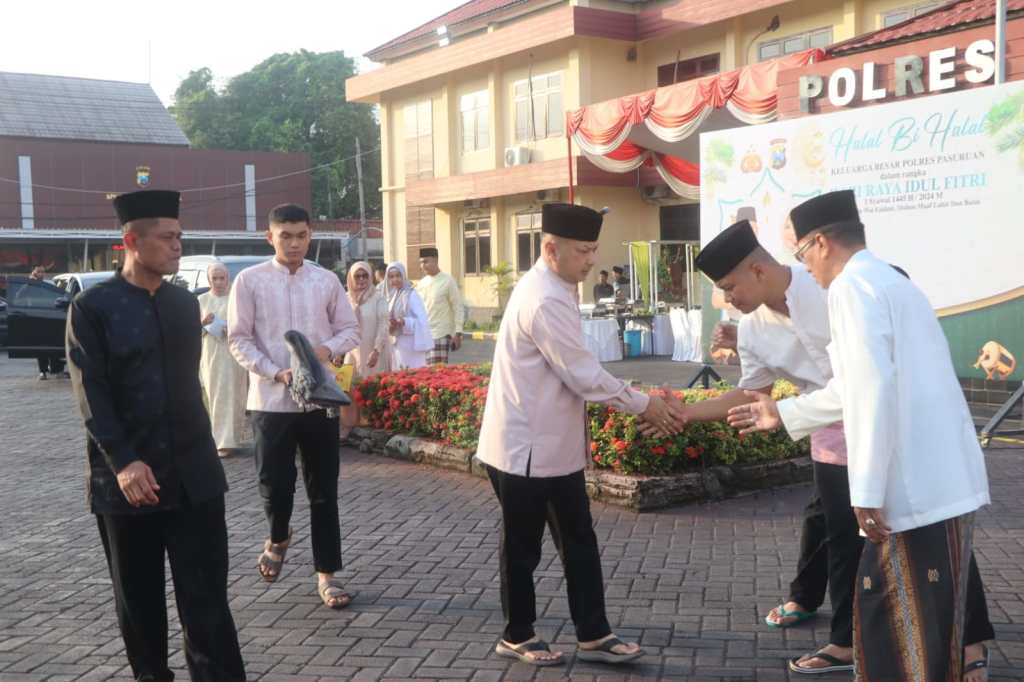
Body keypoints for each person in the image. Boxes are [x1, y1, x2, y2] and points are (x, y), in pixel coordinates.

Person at [728, 190, 992, 681]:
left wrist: (865, 490)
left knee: (894, 620)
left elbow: (868, 391)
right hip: (943, 478)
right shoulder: (891, 280)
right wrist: (784, 413)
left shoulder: (850, 288)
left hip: (910, 484)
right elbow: (856, 385)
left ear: (822, 243)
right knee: (927, 612)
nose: (805, 267)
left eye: (802, 253)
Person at [641, 219, 859, 673]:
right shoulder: (754, 328)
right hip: (827, 431)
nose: (727, 299)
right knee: (834, 524)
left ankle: (857, 639)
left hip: (880, 422)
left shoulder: (829, 288)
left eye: (728, 286)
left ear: (758, 270)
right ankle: (834, 627)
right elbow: (751, 393)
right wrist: (682, 413)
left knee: (912, 524)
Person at [476, 202, 687, 667]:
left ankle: (593, 634)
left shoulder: (557, 286)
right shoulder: (545, 297)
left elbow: (578, 372)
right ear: (551, 249)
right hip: (523, 449)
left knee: (579, 542)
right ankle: (517, 634)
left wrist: (639, 399)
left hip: (555, 448)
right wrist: (644, 403)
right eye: (583, 251)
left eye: (593, 250)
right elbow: (582, 374)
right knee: (522, 547)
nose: (591, 260)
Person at [66, 189, 245, 681]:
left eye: (179, 237)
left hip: (195, 479)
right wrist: (123, 461)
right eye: (166, 238)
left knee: (207, 603)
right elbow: (91, 394)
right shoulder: (92, 307)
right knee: (140, 607)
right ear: (131, 240)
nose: (177, 247)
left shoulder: (184, 306)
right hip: (129, 484)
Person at [228, 203, 360, 610]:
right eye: (285, 236)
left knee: (324, 492)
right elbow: (239, 338)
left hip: (319, 402)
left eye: (301, 235)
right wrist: (276, 372)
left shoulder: (326, 281)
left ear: (310, 236)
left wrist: (323, 351)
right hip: (271, 401)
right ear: (270, 237)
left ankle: (328, 575)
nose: (294, 243)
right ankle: (279, 536)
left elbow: (350, 329)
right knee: (275, 485)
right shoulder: (249, 281)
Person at [198, 262, 248, 457]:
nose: (218, 282)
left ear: (228, 278)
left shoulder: (236, 300)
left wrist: (232, 330)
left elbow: (246, 326)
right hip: (211, 355)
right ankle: (217, 439)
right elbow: (190, 330)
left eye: (222, 278)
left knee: (235, 394)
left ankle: (231, 439)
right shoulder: (201, 300)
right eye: (214, 278)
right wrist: (203, 323)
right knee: (214, 395)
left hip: (233, 354)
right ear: (209, 280)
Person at [337, 260, 390, 437]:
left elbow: (383, 325)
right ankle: (349, 425)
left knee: (371, 388)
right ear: (351, 278)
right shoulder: (345, 298)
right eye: (357, 276)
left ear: (370, 276)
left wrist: (377, 350)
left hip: (373, 350)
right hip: (352, 351)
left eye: (364, 275)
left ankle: (370, 428)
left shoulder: (378, 298)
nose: (361, 279)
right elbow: (339, 327)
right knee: (347, 386)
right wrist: (337, 351)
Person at [415, 247, 465, 365]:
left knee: (437, 374)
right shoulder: (421, 283)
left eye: (426, 261)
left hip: (440, 334)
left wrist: (458, 333)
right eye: (421, 262)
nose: (423, 265)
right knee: (423, 375)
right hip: (423, 335)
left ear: (436, 260)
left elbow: (458, 307)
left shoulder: (448, 281)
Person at [384, 261, 431, 369]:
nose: (395, 279)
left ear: (404, 276)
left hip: (411, 344)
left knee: (412, 374)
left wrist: (404, 321)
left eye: (398, 276)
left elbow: (422, 320)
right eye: (391, 277)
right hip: (397, 343)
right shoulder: (393, 295)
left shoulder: (411, 294)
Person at [28, 265, 66, 380]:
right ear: (33, 272)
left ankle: (57, 370)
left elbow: (59, 296)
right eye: (38, 272)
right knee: (40, 347)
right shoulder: (29, 285)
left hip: (51, 318)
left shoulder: (50, 284)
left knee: (54, 345)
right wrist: (30, 283)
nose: (41, 274)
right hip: (37, 319)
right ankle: (42, 372)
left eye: (43, 272)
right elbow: (19, 296)